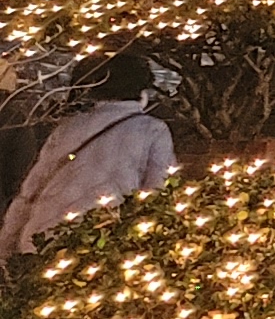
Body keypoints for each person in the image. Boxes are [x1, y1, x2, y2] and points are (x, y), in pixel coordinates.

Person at [0, 51, 178, 254]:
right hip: (101, 239)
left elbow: (32, 189)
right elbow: (158, 192)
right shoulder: (152, 130)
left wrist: (6, 246)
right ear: (141, 91)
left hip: (42, 238)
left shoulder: (69, 127)